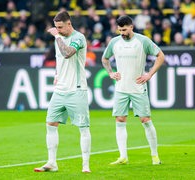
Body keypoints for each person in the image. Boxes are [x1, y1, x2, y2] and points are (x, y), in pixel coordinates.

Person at [101, 15, 165, 165]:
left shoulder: (142, 41)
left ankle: (155, 156)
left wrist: (149, 74)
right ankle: (123, 156)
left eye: (124, 29)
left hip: (137, 87)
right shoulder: (115, 42)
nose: (122, 33)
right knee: (120, 119)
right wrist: (110, 72)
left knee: (145, 120)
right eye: (119, 30)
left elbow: (160, 56)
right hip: (121, 88)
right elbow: (105, 59)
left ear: (131, 27)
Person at [34, 11, 91, 173]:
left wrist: (57, 37)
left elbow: (67, 54)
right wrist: (57, 74)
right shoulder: (59, 38)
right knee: (51, 124)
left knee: (83, 127)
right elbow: (60, 60)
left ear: (69, 24)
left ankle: (85, 165)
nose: (58, 30)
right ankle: (52, 162)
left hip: (77, 89)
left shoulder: (78, 38)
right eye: (56, 28)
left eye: (60, 27)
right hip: (60, 90)